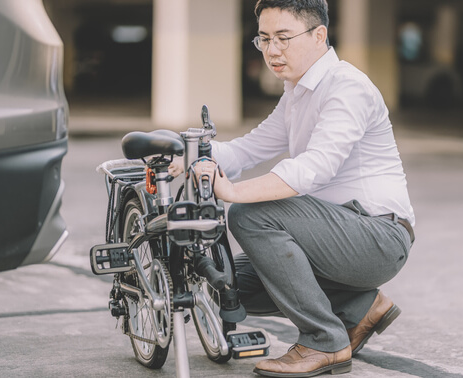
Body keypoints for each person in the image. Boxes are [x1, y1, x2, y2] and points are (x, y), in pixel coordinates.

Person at [177, 0, 415, 376]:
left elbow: (315, 168)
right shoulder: (296, 92)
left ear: (319, 35)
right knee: (228, 282)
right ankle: (360, 306)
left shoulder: (346, 87)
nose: (273, 50)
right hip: (333, 237)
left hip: (377, 235)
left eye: (284, 38)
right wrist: (185, 153)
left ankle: (324, 342)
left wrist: (235, 193)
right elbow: (247, 148)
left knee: (251, 215)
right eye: (264, 39)